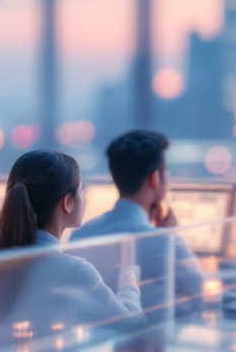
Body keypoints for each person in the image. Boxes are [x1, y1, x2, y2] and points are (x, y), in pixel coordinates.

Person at [0, 150, 142, 337]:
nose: (83, 197)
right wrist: (129, 271)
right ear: (68, 203)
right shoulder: (74, 270)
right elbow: (133, 323)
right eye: (81, 191)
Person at [70, 130, 204, 315]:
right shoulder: (163, 242)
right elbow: (203, 294)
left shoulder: (81, 235)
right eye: (166, 171)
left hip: (99, 340)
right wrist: (169, 237)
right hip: (150, 341)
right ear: (155, 178)